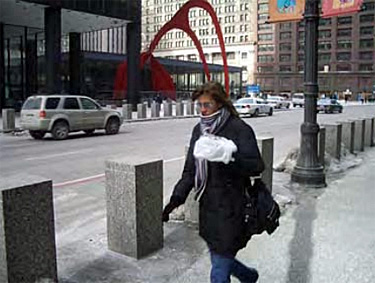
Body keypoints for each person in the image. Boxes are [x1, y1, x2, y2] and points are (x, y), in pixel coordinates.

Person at [162, 81, 264, 283]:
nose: (202, 109)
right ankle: (248, 276)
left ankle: (245, 276)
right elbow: (190, 171)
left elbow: (257, 166)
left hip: (232, 206)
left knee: (219, 265)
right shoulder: (199, 130)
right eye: (199, 105)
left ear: (219, 103)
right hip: (208, 206)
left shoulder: (238, 128)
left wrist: (229, 157)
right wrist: (174, 201)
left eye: (206, 104)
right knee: (218, 254)